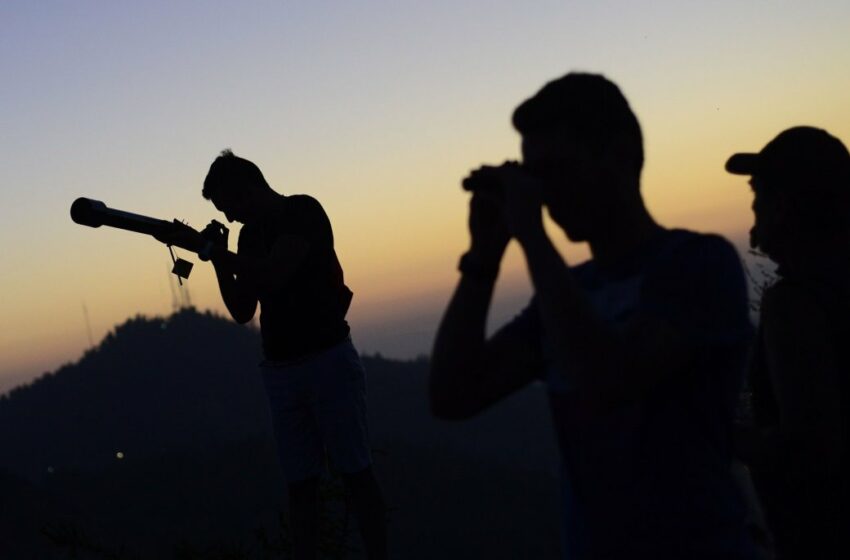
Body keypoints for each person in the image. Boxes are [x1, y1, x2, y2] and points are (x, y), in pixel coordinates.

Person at [429, 73, 758, 559]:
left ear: (621, 156)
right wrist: (483, 257)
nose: (545, 195)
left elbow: (609, 383)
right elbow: (454, 395)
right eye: (535, 177)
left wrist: (534, 239)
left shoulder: (698, 264)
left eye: (557, 170)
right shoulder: (567, 293)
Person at [157, 150, 387, 560]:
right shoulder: (247, 238)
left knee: (356, 473)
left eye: (229, 206)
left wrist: (211, 251)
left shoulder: (302, 212)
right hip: (280, 371)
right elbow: (244, 309)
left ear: (249, 187)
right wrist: (216, 259)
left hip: (327, 360)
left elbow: (274, 274)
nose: (229, 218)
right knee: (300, 486)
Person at [727, 127, 850, 559]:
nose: (753, 211)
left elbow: (809, 448)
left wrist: (718, 435)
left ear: (784, 206)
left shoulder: (795, 303)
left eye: (759, 196)